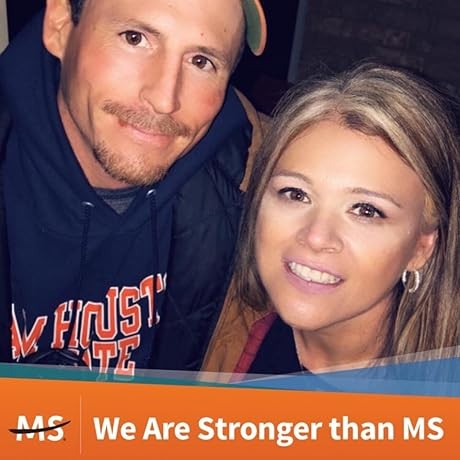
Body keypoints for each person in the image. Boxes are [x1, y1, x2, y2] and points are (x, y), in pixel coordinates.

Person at [0, 0, 268, 375]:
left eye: (201, 61)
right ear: (60, 26)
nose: (164, 99)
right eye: (134, 38)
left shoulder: (265, 189)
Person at [201, 63, 460, 378]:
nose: (316, 237)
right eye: (296, 194)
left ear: (422, 246)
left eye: (366, 210)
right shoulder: (206, 330)